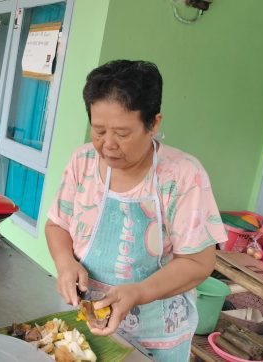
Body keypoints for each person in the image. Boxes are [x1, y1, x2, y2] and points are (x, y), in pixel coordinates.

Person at [45, 60, 228, 361]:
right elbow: (57, 226)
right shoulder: (82, 161)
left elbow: (198, 262)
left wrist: (138, 293)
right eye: (99, 130)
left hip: (156, 337)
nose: (108, 146)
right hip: (86, 322)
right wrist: (65, 262)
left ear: (154, 124)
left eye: (122, 133)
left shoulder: (182, 176)